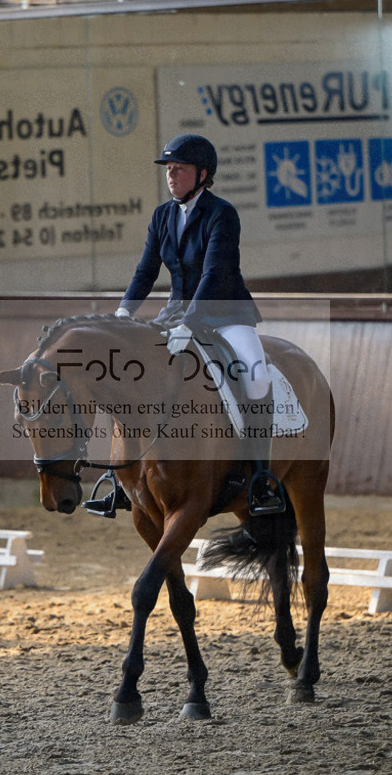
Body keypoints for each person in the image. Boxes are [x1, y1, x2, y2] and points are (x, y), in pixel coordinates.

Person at [85, 133, 283, 518]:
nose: (171, 176)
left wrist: (191, 323)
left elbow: (212, 274)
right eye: (168, 170)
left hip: (226, 316)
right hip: (175, 314)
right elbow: (146, 270)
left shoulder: (222, 214)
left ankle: (260, 478)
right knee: (130, 371)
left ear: (203, 174)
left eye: (179, 170)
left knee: (256, 378)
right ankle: (123, 480)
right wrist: (124, 313)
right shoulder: (162, 216)